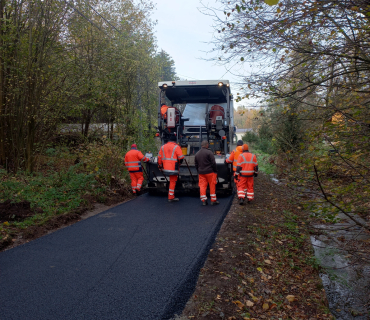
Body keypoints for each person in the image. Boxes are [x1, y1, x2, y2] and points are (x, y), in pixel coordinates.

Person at [158, 134, 185, 202]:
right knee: (173, 182)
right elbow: (181, 157)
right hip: (173, 168)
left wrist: (160, 167)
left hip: (165, 168)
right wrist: (179, 163)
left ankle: (171, 196)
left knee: (171, 181)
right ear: (175, 141)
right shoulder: (176, 147)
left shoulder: (163, 147)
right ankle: (171, 197)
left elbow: (159, 158)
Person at [195, 140, 219, 206]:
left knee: (202, 186)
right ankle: (213, 200)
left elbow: (196, 164)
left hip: (201, 173)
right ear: (207, 145)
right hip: (210, 172)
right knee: (212, 185)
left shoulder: (197, 154)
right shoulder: (209, 152)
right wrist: (215, 170)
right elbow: (213, 163)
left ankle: (204, 201)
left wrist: (199, 170)